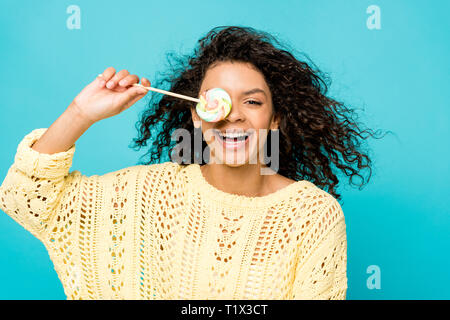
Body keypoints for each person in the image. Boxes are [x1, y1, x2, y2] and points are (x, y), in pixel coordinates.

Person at [0, 26, 383, 300]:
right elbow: (23, 198)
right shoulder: (146, 195)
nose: (232, 117)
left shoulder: (312, 215)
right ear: (197, 118)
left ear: (276, 119)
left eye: (251, 101)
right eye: (217, 101)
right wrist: (80, 112)